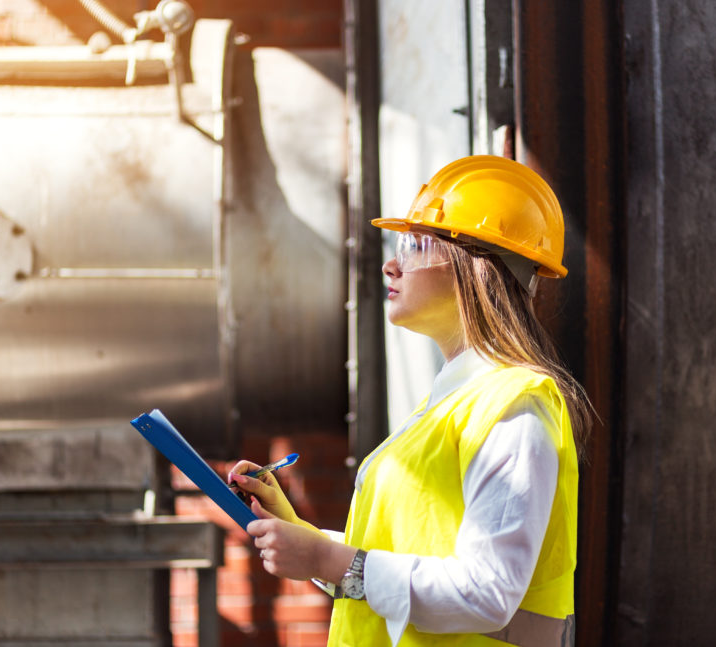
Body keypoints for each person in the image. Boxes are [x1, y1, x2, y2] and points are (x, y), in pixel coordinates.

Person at [228, 155, 591, 647]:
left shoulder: (513, 407)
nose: (391, 263)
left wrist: (325, 561)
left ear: (478, 268)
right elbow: (398, 556)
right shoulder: (451, 402)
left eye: (417, 245)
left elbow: (488, 593)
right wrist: (298, 533)